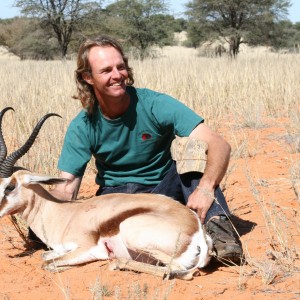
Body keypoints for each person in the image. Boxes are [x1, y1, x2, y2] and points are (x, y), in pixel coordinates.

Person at [52, 35, 242, 261]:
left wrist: (206, 188)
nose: (117, 75)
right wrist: (33, 205)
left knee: (193, 150)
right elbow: (66, 188)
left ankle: (219, 230)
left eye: (120, 67)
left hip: (163, 192)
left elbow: (219, 144)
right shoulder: (82, 125)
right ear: (88, 77)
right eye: (106, 70)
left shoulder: (154, 104)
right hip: (116, 200)